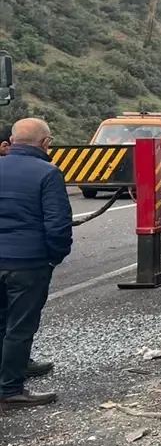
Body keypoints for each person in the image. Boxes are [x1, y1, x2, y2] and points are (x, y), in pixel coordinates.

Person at [0, 117, 71, 409]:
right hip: (28, 263)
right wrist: (54, 256)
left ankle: (15, 370)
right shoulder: (47, 173)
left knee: (2, 322)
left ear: (12, 141)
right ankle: (10, 389)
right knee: (20, 326)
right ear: (46, 143)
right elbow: (57, 223)